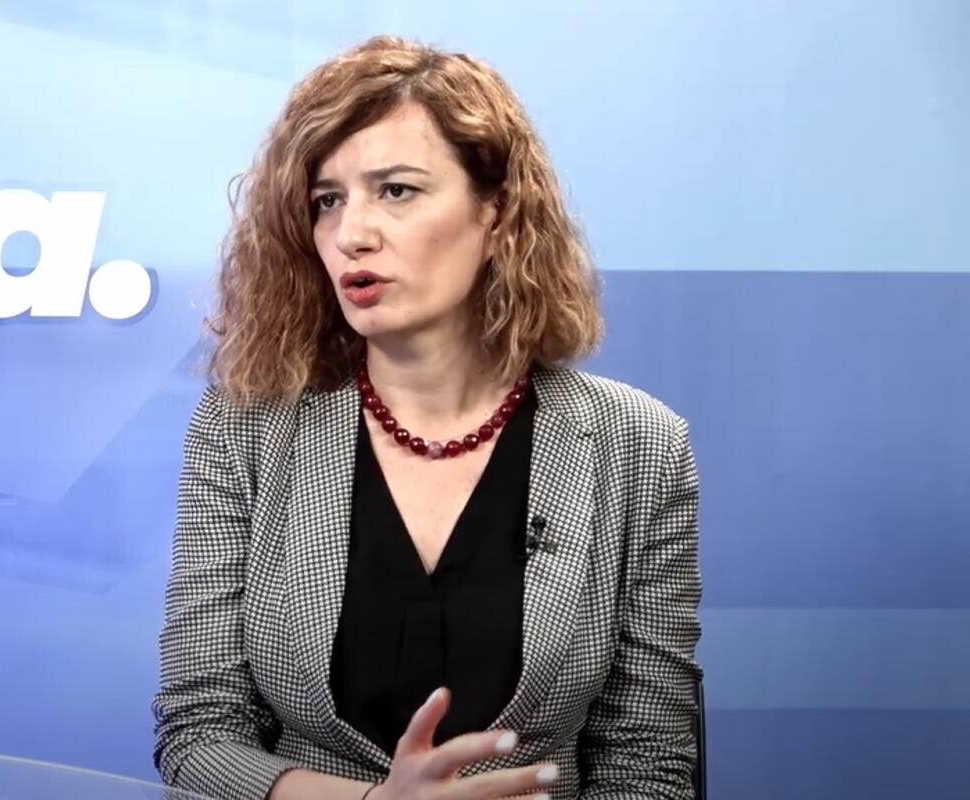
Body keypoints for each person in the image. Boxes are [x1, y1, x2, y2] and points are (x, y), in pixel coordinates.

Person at [152, 35, 703, 800]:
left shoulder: (639, 445)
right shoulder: (244, 426)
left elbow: (648, 761)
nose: (352, 234)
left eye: (397, 191)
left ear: (497, 213)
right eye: (327, 201)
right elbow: (199, 734)